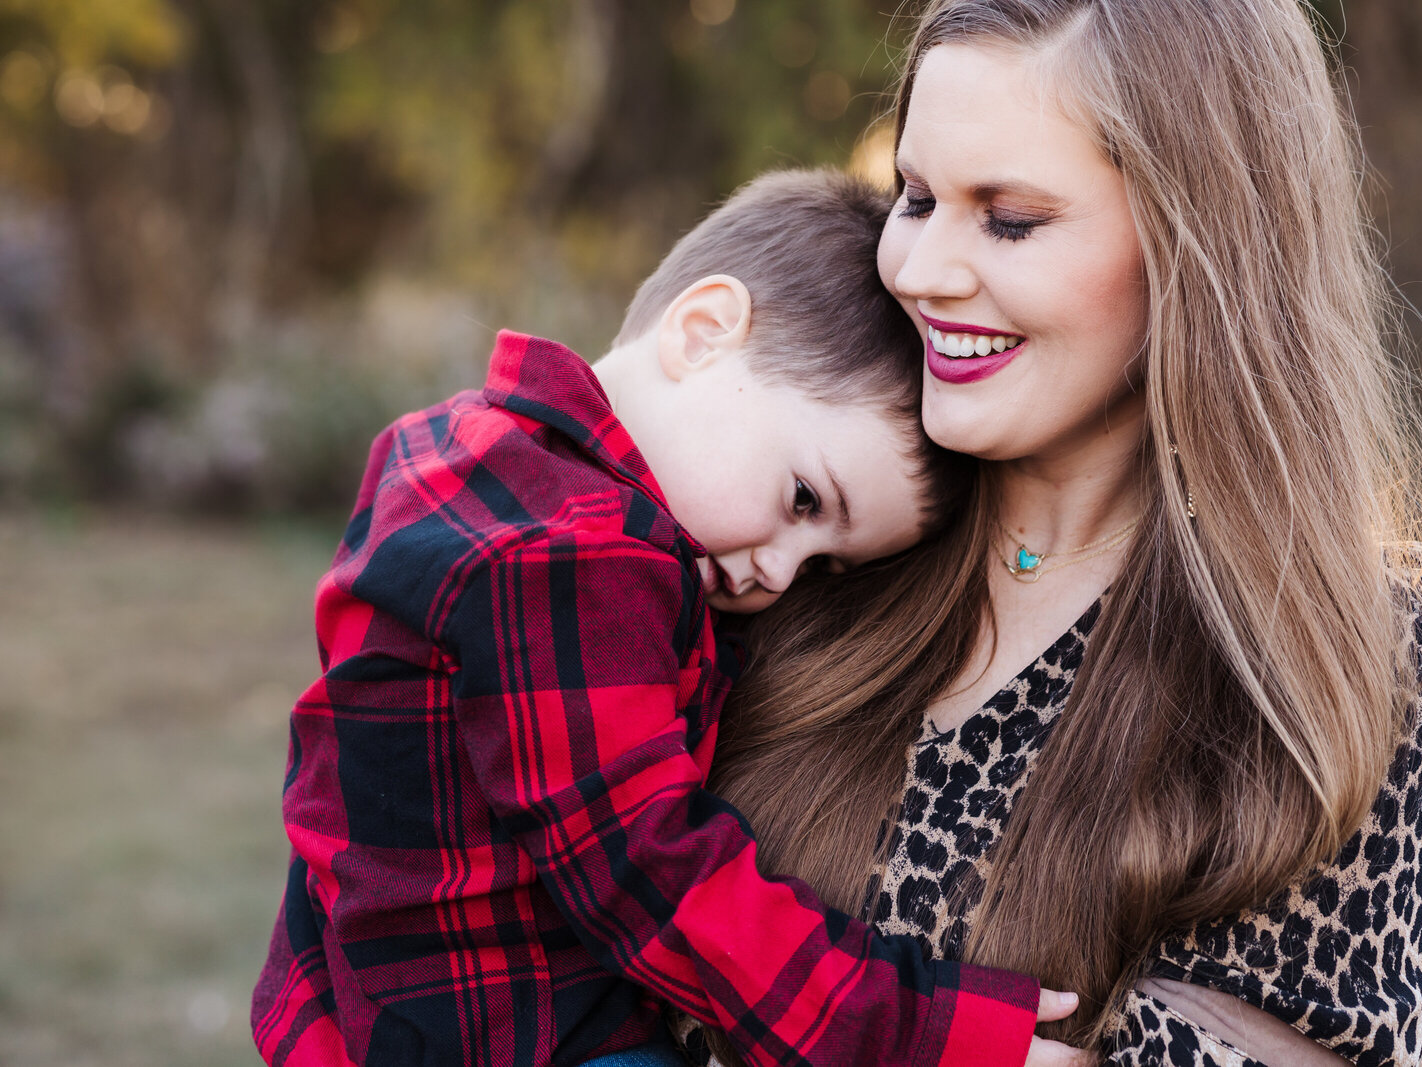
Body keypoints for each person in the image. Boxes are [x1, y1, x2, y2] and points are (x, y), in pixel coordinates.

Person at [704, 2, 1422, 1065]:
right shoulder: (803, 527)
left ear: (1197, 245)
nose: (920, 270)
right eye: (916, 198)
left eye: (1008, 218)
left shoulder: (1354, 639)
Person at [250, 169, 1084, 1067]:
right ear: (702, 331)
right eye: (804, 499)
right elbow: (659, 879)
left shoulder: (446, 454)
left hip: (353, 1002)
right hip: (517, 1031)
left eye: (825, 565)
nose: (776, 571)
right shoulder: (573, 561)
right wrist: (925, 1035)